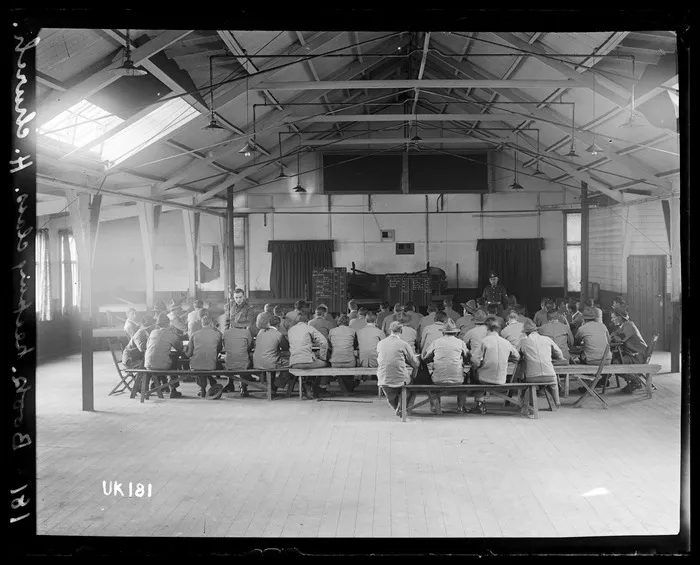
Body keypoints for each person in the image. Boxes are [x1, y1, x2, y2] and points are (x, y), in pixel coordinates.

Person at [469, 316, 520, 414]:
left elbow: (475, 361)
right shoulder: (506, 343)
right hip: (501, 378)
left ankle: (479, 403)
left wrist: (477, 365)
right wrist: (505, 357)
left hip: (484, 379)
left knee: (472, 372)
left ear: (487, 328)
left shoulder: (484, 341)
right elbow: (517, 357)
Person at [422, 318, 470, 414]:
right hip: (458, 380)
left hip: (438, 379)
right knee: (466, 377)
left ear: (443, 332)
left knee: (431, 379)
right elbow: (467, 358)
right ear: (455, 333)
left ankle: (436, 407)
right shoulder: (460, 343)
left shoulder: (436, 342)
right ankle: (461, 406)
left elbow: (426, 358)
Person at [519, 318, 564, 412]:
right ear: (536, 330)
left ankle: (527, 403)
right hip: (549, 376)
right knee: (554, 380)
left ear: (526, 332)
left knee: (522, 379)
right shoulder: (547, 339)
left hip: (532, 377)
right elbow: (559, 354)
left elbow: (517, 355)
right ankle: (557, 401)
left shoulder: (523, 341)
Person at [377, 321, 420, 417]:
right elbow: (414, 363)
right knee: (413, 385)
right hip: (400, 379)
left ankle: (398, 408)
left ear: (389, 330)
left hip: (383, 378)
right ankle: (403, 408)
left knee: (391, 395)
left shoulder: (380, 343)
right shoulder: (404, 344)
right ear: (401, 330)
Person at [288, 313, 330, 399]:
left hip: (294, 362)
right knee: (326, 364)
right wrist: (322, 357)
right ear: (307, 321)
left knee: (311, 362)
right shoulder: (309, 328)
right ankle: (318, 389)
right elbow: (324, 342)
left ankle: (307, 384)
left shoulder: (290, 330)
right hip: (307, 361)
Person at [144, 312, 184, 398]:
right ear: (168, 323)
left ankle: (156, 384)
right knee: (174, 359)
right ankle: (173, 389)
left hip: (147, 364)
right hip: (160, 365)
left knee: (161, 357)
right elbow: (180, 348)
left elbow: (148, 346)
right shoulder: (170, 334)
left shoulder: (153, 332)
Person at [575, 306, 612, 390]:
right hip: (607, 359)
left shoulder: (582, 328)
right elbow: (609, 341)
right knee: (589, 354)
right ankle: (600, 380)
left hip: (593, 360)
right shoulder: (603, 326)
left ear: (583, 319)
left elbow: (576, 342)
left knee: (580, 357)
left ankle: (587, 385)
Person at [186, 313, 223, 398]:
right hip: (211, 364)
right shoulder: (217, 334)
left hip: (196, 364)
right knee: (208, 361)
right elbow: (219, 349)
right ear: (211, 323)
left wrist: (184, 351)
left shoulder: (194, 334)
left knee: (198, 362)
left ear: (202, 324)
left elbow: (189, 354)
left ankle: (202, 388)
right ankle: (211, 382)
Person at [253, 315, 291, 396]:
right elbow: (286, 348)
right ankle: (274, 387)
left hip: (257, 362)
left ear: (269, 323)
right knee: (292, 364)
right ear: (279, 325)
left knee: (272, 358)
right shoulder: (278, 334)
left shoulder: (260, 332)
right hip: (270, 363)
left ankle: (271, 387)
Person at [610, 312, 648, 394]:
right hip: (635, 354)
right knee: (615, 359)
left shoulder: (628, 325)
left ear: (619, 317)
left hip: (638, 356)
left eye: (613, 317)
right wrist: (614, 336)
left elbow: (620, 338)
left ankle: (636, 381)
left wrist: (614, 337)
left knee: (615, 363)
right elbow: (614, 334)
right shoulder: (625, 325)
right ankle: (634, 380)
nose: (611, 320)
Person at [222, 321, 255, 397]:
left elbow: (224, 346)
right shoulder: (246, 332)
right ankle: (243, 387)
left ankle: (230, 384)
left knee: (231, 358)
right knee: (244, 359)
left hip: (228, 362)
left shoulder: (226, 332)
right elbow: (250, 346)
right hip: (243, 363)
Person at [328, 314, 358, 395]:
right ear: (348, 322)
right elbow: (355, 345)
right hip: (349, 362)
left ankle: (346, 389)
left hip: (335, 362)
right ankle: (349, 388)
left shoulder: (331, 331)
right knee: (351, 359)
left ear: (338, 322)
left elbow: (330, 346)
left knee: (340, 364)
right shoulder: (352, 331)